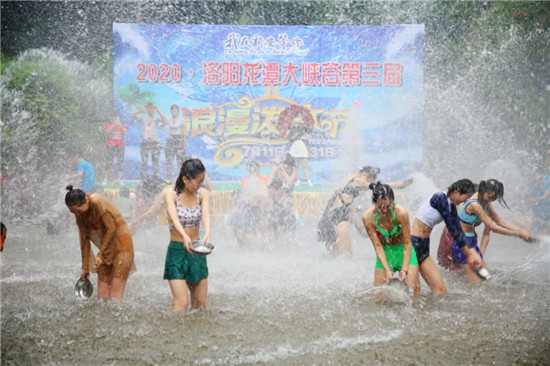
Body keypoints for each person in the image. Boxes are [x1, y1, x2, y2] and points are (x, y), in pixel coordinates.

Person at [441, 179, 532, 282]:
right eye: (490, 196)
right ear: (483, 191)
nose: (492, 199)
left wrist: (520, 230)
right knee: (477, 282)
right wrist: (517, 234)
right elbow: (493, 227)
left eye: (494, 198)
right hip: (461, 243)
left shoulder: (485, 201)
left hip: (471, 241)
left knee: (485, 279)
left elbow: (499, 220)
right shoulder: (474, 205)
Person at [317, 166, 412, 256]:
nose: (368, 182)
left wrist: (361, 227)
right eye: (369, 179)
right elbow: (377, 187)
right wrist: (399, 185)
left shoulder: (350, 179)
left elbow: (345, 207)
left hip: (330, 213)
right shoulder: (358, 180)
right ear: (364, 175)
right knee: (346, 255)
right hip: (338, 215)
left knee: (333, 254)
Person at [65, 185, 135, 301]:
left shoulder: (97, 202)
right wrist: (85, 268)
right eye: (73, 213)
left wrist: (100, 254)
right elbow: (84, 241)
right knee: (101, 299)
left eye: (79, 211)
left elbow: (111, 228)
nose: (77, 215)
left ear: (85, 201)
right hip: (106, 251)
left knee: (114, 299)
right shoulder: (80, 215)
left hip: (123, 249)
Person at [410, 179, 479, 294]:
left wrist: (470, 252)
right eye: (465, 198)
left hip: (423, 246)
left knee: (440, 290)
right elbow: (451, 225)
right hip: (413, 244)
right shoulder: (440, 197)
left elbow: (457, 230)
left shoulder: (451, 206)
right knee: (415, 291)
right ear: (457, 192)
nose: (464, 202)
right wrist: (468, 252)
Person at [162, 158, 211, 312]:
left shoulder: (202, 194)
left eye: (202, 180)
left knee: (200, 305)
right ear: (185, 179)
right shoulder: (170, 193)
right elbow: (174, 217)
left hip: (196, 251)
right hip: (177, 251)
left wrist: (207, 233)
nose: (200, 185)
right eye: (197, 181)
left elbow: (206, 216)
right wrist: (184, 235)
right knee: (182, 304)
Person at [362, 182, 419, 297]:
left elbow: (408, 242)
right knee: (379, 296)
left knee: (410, 295)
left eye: (388, 206)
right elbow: (377, 246)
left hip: (404, 252)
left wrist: (404, 269)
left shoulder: (401, 213)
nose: (385, 210)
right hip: (385, 254)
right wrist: (387, 270)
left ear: (393, 201)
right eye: (381, 207)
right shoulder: (368, 217)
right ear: (375, 203)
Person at [229, 161, 269, 249]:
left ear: (258, 169)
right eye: (251, 168)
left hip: (263, 206)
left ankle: (264, 244)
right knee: (235, 218)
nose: (253, 170)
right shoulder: (246, 180)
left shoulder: (264, 178)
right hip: (250, 207)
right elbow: (246, 195)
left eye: (255, 168)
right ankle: (244, 245)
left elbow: (266, 193)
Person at [278, 105, 315, 186]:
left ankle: (309, 180)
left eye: (301, 117)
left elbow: (309, 133)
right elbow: (288, 135)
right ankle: (298, 180)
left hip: (302, 145)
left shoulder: (305, 126)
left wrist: (306, 131)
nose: (299, 118)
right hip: (295, 145)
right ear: (295, 117)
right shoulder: (291, 126)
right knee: (296, 165)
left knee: (305, 165)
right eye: (298, 116)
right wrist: (290, 128)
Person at [132, 102, 166, 179]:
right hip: (145, 141)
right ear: (147, 108)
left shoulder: (156, 117)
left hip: (155, 142)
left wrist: (157, 110)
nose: (150, 109)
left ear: (154, 109)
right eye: (149, 108)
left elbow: (165, 120)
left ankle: (155, 178)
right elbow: (133, 115)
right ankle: (143, 179)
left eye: (152, 108)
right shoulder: (143, 116)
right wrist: (142, 108)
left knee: (155, 162)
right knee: (144, 162)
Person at [162, 104, 188, 180]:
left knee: (180, 160)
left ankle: (181, 179)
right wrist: (167, 130)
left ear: (178, 111)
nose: (174, 111)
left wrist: (184, 143)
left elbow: (184, 131)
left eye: (176, 109)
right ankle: (168, 178)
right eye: (173, 109)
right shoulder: (169, 119)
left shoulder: (182, 119)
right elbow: (161, 126)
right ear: (171, 111)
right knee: (169, 160)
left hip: (179, 139)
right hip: (171, 139)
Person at [104, 111, 128, 184]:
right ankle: (106, 179)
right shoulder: (108, 125)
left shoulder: (122, 125)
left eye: (115, 117)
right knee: (108, 162)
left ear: (118, 118)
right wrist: (113, 125)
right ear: (110, 118)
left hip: (120, 146)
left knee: (120, 162)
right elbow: (106, 133)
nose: (114, 119)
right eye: (112, 117)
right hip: (110, 146)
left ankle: (119, 179)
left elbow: (125, 133)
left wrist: (119, 125)